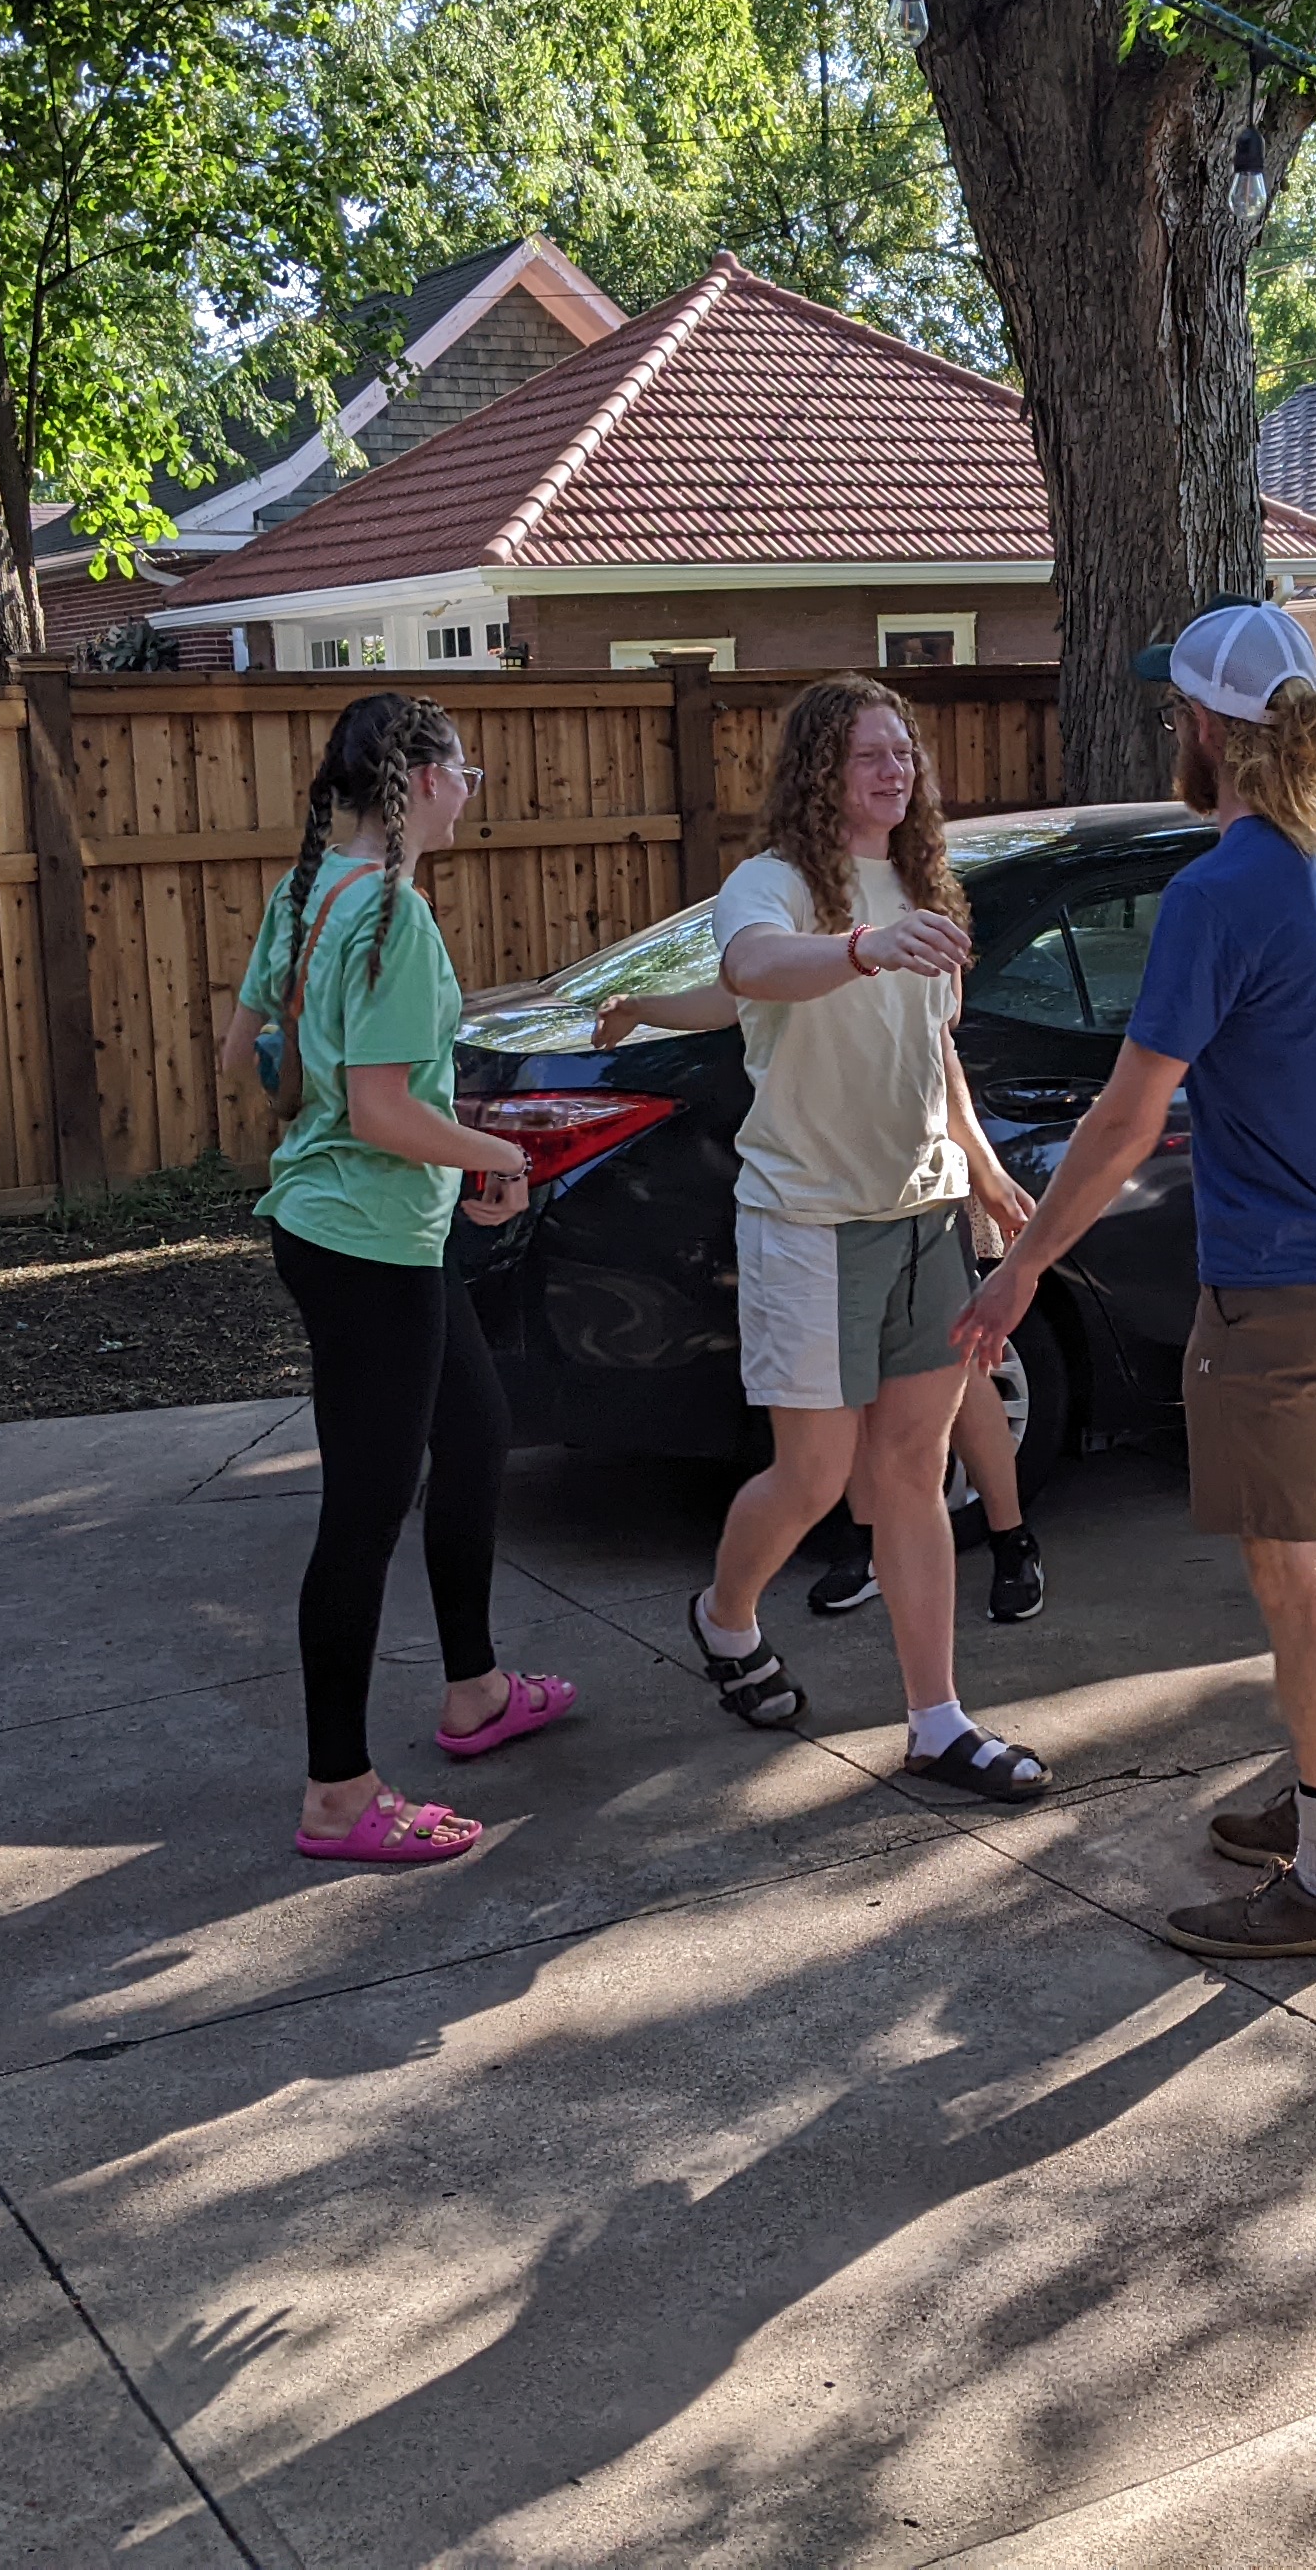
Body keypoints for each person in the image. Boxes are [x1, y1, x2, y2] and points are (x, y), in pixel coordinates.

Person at [957, 603, 1316, 1958]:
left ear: (1206, 731)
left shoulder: (1217, 893)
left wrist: (1018, 1274)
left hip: (1280, 1279)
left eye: (1175, 711)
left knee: (1298, 1572)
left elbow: (1125, 1120)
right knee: (1306, 1550)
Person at [217, 692, 572, 1866]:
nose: (472, 791)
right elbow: (380, 1113)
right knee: (363, 1517)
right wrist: (495, 1154)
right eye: (466, 772)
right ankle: (337, 1794)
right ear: (422, 780)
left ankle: (474, 1691)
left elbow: (244, 1053)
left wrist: (374, 1107)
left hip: (351, 1230)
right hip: (367, 1243)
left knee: (475, 1430)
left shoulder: (305, 892)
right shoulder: (396, 918)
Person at [683, 676, 1049, 1801]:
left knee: (912, 1472)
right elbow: (751, 967)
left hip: (924, 1218)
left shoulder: (927, 883)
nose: (896, 772)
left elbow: (933, 1050)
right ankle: (725, 1616)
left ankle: (937, 1724)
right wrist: (864, 946)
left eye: (904, 753)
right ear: (819, 773)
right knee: (813, 1476)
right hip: (808, 1221)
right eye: (868, 757)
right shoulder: (773, 884)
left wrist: (980, 1168)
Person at [596, 981, 1045, 1619]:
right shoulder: (787, 938)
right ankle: (866, 1549)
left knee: (961, 1375)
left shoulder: (923, 935)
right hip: (823, 1211)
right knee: (848, 1391)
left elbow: (939, 1055)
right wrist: (642, 1007)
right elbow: (737, 989)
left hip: (923, 1202)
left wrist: (986, 1169)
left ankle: (1011, 1539)